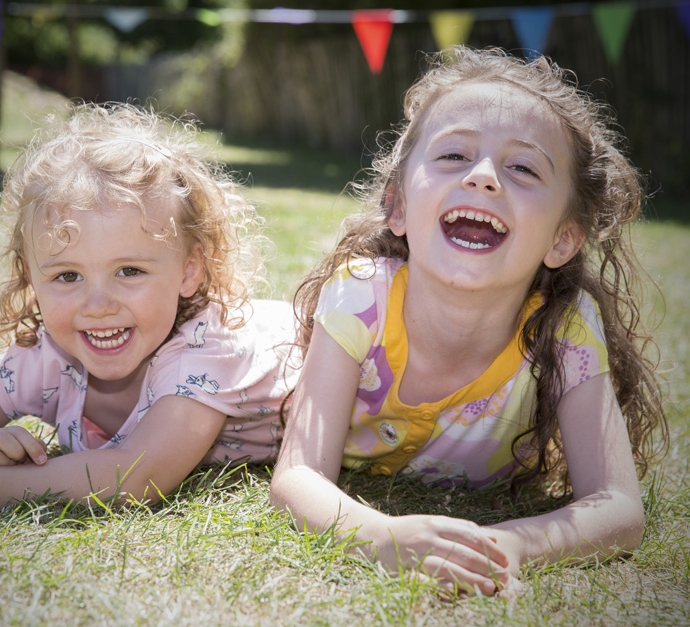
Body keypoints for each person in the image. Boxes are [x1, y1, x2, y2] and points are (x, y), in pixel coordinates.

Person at [270, 47, 667, 598]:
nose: (483, 178)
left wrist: (509, 545)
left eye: (523, 167)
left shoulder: (564, 329)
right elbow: (296, 477)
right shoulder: (359, 297)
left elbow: (620, 510)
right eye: (454, 156)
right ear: (399, 206)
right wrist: (381, 536)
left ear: (563, 238)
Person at [0, 103, 297, 512]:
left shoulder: (208, 348)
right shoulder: (50, 356)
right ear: (31, 276)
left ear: (189, 271)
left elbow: (136, 475)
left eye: (129, 271)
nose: (98, 304)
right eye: (67, 276)